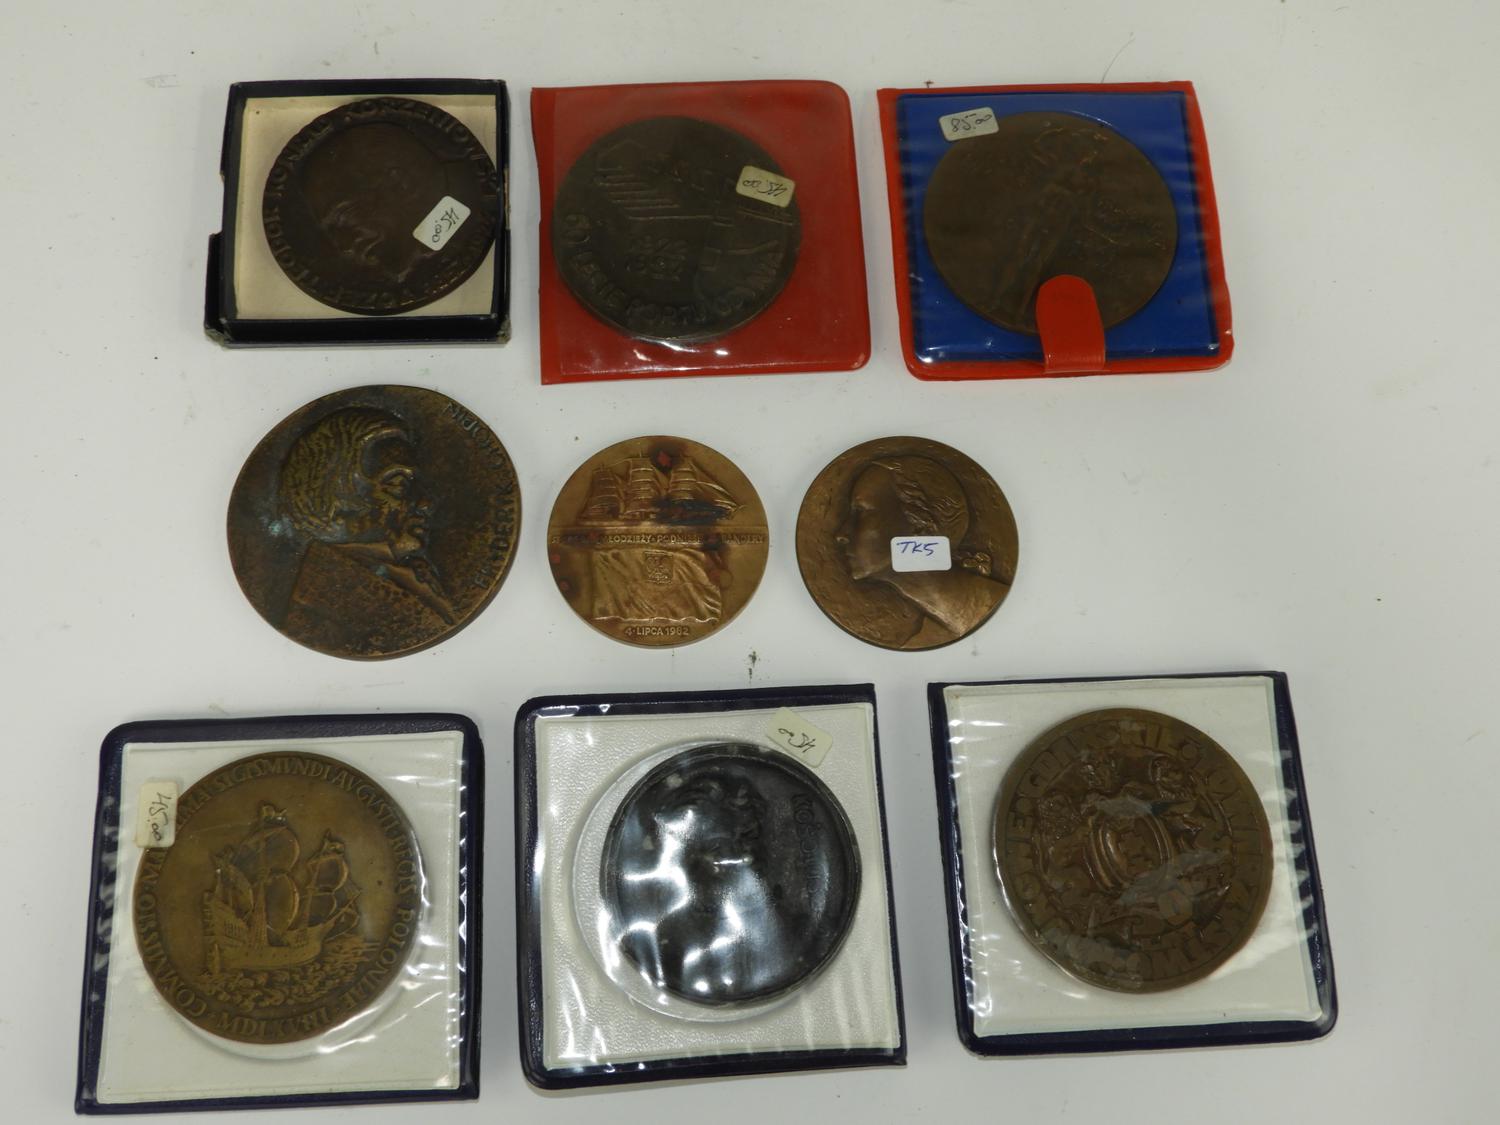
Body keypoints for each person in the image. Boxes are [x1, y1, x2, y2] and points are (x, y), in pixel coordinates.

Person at [278, 407, 455, 654]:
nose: (424, 502)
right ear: (340, 500)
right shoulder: (324, 600)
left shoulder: (412, 572)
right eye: (398, 484)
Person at [835, 455, 1009, 649]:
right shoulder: (924, 637)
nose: (841, 534)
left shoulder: (995, 606)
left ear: (920, 525)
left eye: (861, 511)